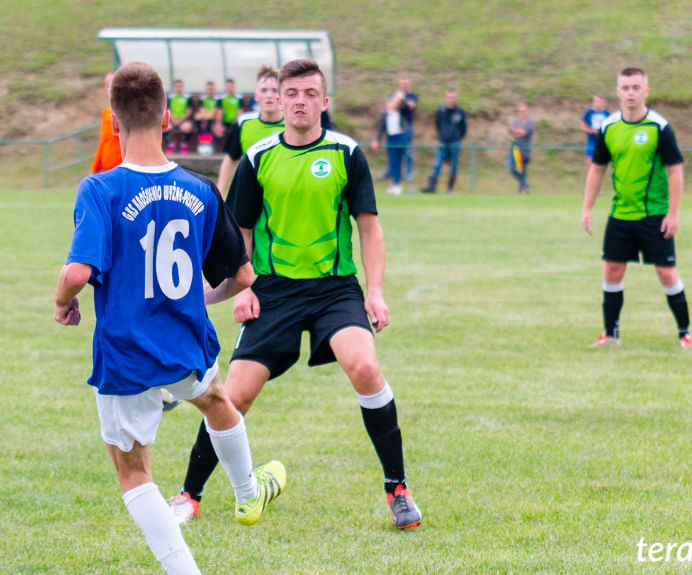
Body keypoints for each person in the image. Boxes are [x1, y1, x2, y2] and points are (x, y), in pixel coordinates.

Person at [168, 58, 422, 530]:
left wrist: (377, 291)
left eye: (310, 93)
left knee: (365, 366)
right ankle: (189, 494)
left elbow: (369, 228)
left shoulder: (347, 153)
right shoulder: (259, 158)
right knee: (234, 397)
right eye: (292, 94)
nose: (300, 101)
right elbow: (238, 234)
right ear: (278, 100)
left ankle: (398, 489)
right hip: (273, 291)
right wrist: (241, 288)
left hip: (335, 289)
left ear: (324, 102)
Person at [53, 61, 285, 575]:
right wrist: (201, 295)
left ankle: (186, 570)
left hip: (126, 355)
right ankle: (248, 492)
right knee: (216, 399)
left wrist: (61, 301)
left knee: (133, 471)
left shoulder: (101, 190)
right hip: (186, 343)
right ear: (166, 119)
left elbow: (77, 271)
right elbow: (242, 277)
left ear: (113, 122)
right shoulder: (201, 189)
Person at [581, 67, 692, 350]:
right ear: (618, 91)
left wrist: (673, 213)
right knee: (612, 270)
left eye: (636, 87)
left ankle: (685, 333)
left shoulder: (659, 127)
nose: (630, 92)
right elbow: (597, 169)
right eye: (625, 87)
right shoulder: (608, 127)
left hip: (654, 215)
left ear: (646, 91)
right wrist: (587, 208)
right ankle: (610, 334)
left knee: (666, 273)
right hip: (620, 215)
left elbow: (675, 171)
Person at [216, 66, 285, 195]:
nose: (269, 95)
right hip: (249, 195)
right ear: (256, 96)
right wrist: (220, 193)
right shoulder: (244, 123)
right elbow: (230, 159)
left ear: (282, 95)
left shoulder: (292, 125)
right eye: (264, 90)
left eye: (275, 90)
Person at [421, 89, 467, 194]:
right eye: (449, 97)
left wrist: (458, 138)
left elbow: (463, 128)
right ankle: (432, 187)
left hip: (454, 143)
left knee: (454, 166)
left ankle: (450, 188)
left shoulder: (460, 111)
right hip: (442, 142)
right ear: (446, 98)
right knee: (437, 164)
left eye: (453, 97)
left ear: (456, 98)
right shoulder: (441, 111)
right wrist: (441, 136)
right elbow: (437, 125)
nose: (451, 99)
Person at [372, 92, 411, 195]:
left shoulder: (400, 112)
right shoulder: (385, 115)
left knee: (399, 161)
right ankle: (396, 184)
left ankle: (397, 184)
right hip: (391, 139)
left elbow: (407, 107)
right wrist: (377, 140)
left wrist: (401, 98)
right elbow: (381, 128)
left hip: (400, 138)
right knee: (393, 162)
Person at [90, 72, 123, 173]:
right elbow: (103, 142)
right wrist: (94, 168)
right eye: (109, 85)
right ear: (105, 89)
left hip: (122, 172)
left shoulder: (128, 113)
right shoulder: (106, 113)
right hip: (107, 172)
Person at [508, 101, 535, 194]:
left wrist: (516, 131)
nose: (522, 112)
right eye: (520, 111)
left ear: (527, 111)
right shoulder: (516, 121)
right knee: (511, 167)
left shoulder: (530, 122)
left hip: (524, 150)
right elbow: (510, 129)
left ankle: (520, 191)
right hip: (515, 149)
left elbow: (524, 132)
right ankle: (524, 184)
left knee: (522, 170)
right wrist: (516, 131)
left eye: (523, 110)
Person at [165, 79, 196, 154]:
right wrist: (173, 119)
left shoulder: (187, 97)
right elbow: (168, 109)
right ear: (174, 87)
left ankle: (184, 142)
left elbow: (189, 111)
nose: (178, 87)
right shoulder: (170, 97)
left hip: (184, 120)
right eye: (176, 86)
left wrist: (180, 119)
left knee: (187, 127)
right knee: (164, 127)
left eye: (180, 86)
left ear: (182, 87)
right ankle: (171, 142)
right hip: (172, 119)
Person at [580, 94, 610, 168]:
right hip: (592, 141)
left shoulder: (607, 113)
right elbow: (582, 125)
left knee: (604, 164)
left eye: (599, 101)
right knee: (590, 163)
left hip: (604, 140)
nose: (597, 103)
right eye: (596, 101)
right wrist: (592, 131)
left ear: (603, 102)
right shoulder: (589, 112)